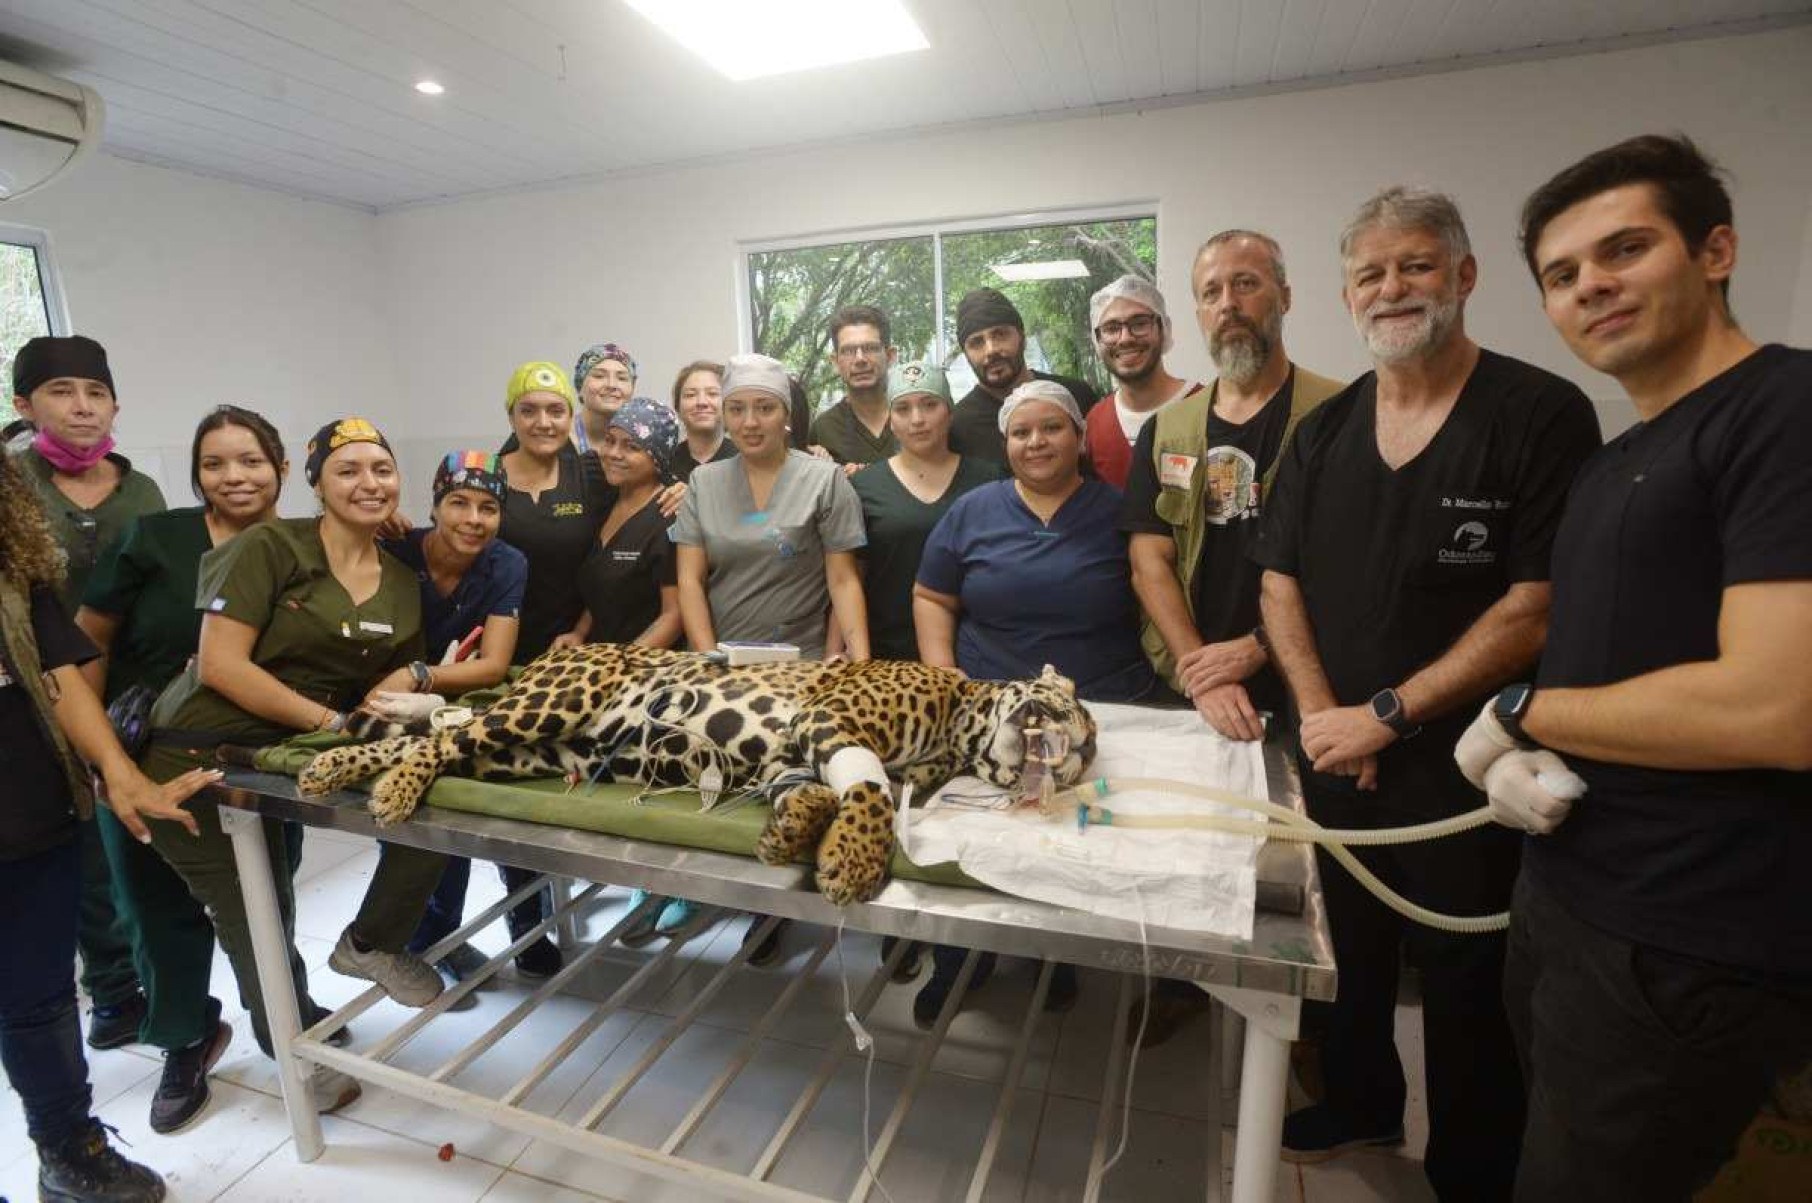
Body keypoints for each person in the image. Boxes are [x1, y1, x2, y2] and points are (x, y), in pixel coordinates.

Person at [1457, 134, 1812, 1202]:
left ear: (1715, 250)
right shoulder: (1618, 460)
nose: (1590, 287)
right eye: (1562, 275)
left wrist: (1522, 711)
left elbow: (1774, 707)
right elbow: (1609, 654)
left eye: (1624, 250)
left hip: (1685, 939)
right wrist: (1521, 752)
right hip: (1572, 893)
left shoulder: (1783, 413)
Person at [1253, 188, 1601, 1200]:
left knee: (1465, 987)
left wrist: (1389, 714)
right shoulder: (1323, 435)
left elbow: (1533, 603)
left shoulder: (1537, 414)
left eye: (1414, 266)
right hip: (1339, 758)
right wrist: (1330, 720)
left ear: (1463, 276)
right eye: (1370, 273)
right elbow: (1280, 582)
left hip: (1465, 764)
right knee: (1349, 958)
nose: (1391, 289)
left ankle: (1471, 1168)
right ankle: (1360, 1101)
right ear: (1347, 293)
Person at [139, 417, 451, 1075]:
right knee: (257, 917)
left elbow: (384, 681)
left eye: (382, 469)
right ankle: (297, 1060)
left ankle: (372, 941)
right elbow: (221, 664)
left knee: (436, 781)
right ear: (315, 481)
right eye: (348, 469)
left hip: (289, 754)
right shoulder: (271, 547)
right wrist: (336, 723)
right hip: (197, 754)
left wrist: (423, 702)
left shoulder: (399, 581)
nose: (369, 482)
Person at [1116, 231, 1343, 1048]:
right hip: (1191, 677)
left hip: (1299, 679)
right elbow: (1149, 557)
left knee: (1295, 868)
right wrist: (1200, 669)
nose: (1228, 304)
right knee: (1185, 846)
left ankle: (1306, 1033)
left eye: (1245, 284)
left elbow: (1350, 563)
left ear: (1283, 294)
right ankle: (1182, 986)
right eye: (1211, 291)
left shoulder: (1340, 411)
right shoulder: (1170, 427)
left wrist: (1255, 650)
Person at [75, 406, 301, 1133]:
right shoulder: (159, 540)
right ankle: (184, 1036)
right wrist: (103, 755)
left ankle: (286, 1015)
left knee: (267, 893)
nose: (234, 476)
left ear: (282, 468)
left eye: (251, 460)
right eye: (215, 463)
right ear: (197, 473)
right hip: (144, 753)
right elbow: (87, 645)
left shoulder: (305, 547)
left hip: (252, 760)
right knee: (155, 903)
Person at [2, 444, 218, 1201]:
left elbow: (61, 672)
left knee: (38, 998)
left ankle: (69, 1148)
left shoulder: (14, 567)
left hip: (23, 800)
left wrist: (119, 775)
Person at [913, 378, 1163, 1026]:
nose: (1036, 441)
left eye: (1051, 427)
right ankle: (960, 958)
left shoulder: (1117, 510)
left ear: (1079, 438)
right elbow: (934, 595)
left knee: (1065, 840)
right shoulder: (975, 510)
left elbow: (1155, 587)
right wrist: (946, 682)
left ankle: (1058, 955)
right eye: (1021, 431)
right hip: (987, 709)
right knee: (973, 837)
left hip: (1099, 707)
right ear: (1006, 444)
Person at [672, 353, 869, 965]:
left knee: (794, 785)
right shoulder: (704, 483)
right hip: (728, 663)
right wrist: (706, 657)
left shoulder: (823, 480)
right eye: (738, 409)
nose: (750, 421)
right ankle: (754, 901)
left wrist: (852, 659)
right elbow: (689, 582)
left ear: (787, 415)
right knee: (732, 785)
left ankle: (793, 904)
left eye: (765, 408)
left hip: (804, 661)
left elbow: (842, 580)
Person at [11, 335, 163, 1054]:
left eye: (95, 393)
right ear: (24, 404)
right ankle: (112, 990)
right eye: (62, 391)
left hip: (139, 692)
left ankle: (161, 976)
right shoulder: (13, 489)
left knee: (140, 838)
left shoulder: (140, 490)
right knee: (86, 850)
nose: (81, 406)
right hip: (45, 698)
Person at [381, 451, 526, 995]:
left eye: (488, 507)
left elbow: (492, 663)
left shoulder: (505, 564)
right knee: (405, 830)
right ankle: (412, 942)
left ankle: (439, 935)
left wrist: (420, 675)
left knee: (450, 824)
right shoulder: (394, 547)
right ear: (435, 505)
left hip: (443, 701)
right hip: (381, 702)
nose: (473, 518)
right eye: (458, 503)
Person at [562, 397, 702, 945]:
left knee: (659, 785)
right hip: (606, 669)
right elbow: (600, 587)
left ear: (660, 456)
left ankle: (678, 891)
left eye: (633, 446)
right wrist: (579, 629)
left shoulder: (667, 517)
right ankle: (642, 883)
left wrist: (625, 668)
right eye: (612, 440)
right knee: (620, 788)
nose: (615, 453)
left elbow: (673, 614)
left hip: (652, 676)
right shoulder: (606, 509)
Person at [851, 361, 1001, 663]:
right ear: (890, 420)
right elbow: (848, 578)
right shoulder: (863, 487)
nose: (917, 419)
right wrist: (846, 653)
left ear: (949, 412)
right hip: (888, 661)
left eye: (929, 405)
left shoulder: (990, 481)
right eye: (903, 409)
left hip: (977, 655)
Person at [946, 287, 1100, 465]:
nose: (991, 350)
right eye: (976, 342)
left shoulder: (1074, 396)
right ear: (965, 354)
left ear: (1022, 337)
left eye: (1000, 335)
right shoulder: (958, 425)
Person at [1082, 275, 1204, 487]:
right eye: (1111, 328)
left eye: (1139, 324)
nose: (1125, 338)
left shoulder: (1206, 406)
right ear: (1097, 339)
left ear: (1162, 328)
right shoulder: (1096, 422)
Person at [809, 305, 898, 470]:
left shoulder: (916, 418)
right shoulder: (823, 430)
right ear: (835, 361)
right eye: (848, 351)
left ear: (890, 355)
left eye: (870, 348)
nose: (860, 359)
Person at [669, 360, 735, 482]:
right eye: (690, 395)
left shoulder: (746, 459)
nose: (701, 402)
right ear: (677, 406)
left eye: (712, 394)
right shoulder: (664, 464)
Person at [571, 341, 637, 452]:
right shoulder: (559, 437)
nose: (611, 385)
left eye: (621, 378)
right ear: (580, 385)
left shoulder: (641, 443)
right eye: (599, 376)